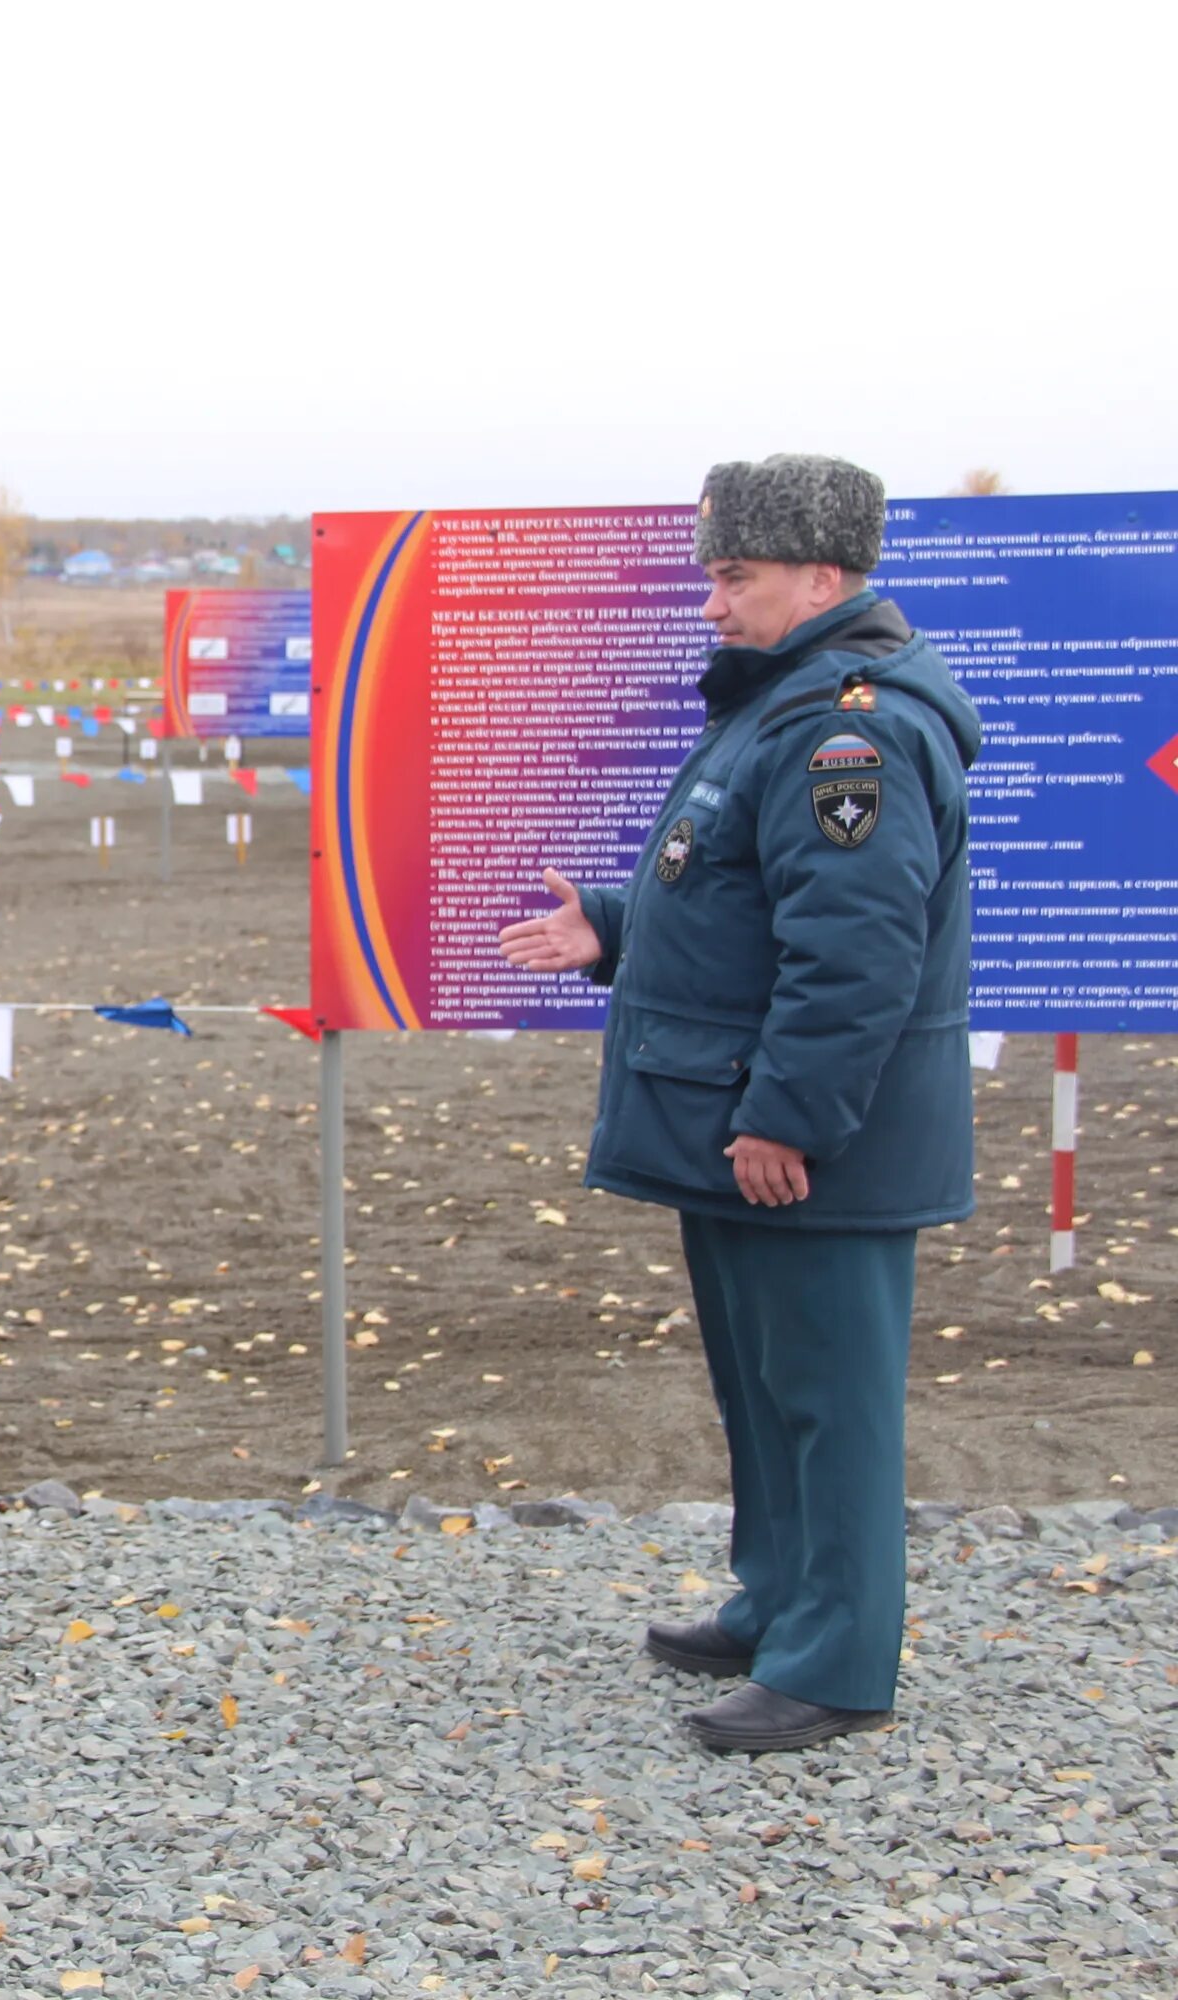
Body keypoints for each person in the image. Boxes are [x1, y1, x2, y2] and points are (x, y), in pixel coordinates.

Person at [499, 453, 981, 1754]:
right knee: (769, 1388)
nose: (713, 602)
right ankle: (780, 1602)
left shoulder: (851, 729)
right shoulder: (783, 705)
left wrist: (789, 1119)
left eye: (735, 576)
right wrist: (608, 927)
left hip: (812, 1145)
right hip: (749, 1124)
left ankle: (835, 1663)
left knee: (829, 1397)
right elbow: (741, 903)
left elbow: (855, 956)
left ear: (822, 577)